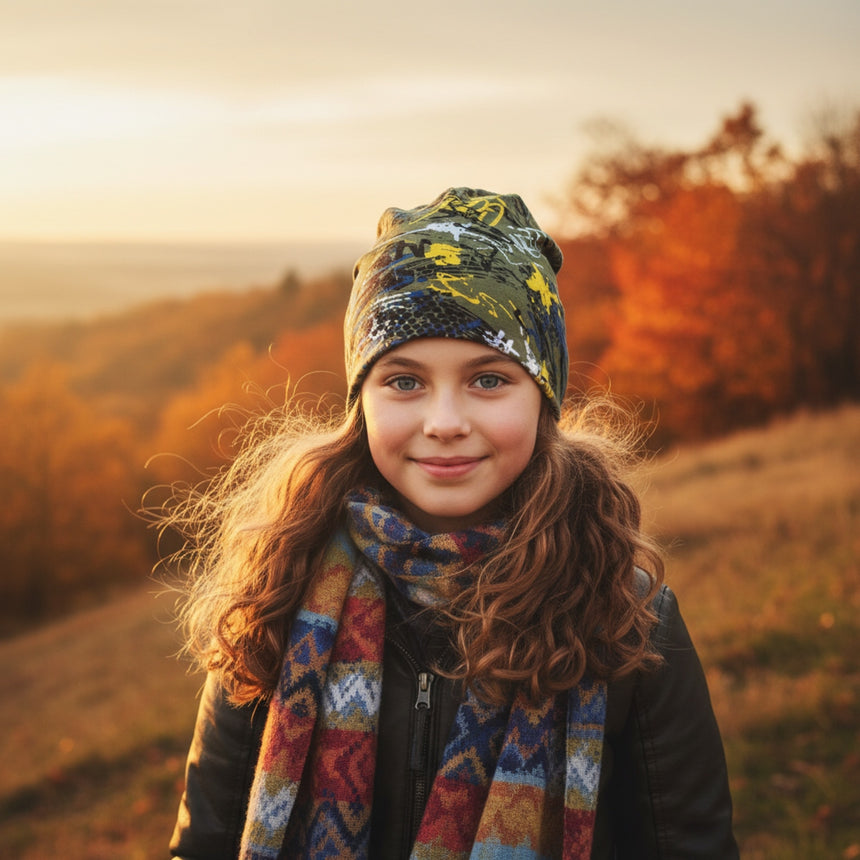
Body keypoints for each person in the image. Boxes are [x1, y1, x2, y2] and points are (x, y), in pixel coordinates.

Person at [165, 187, 738, 859]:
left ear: (544, 399)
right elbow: (204, 841)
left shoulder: (627, 617)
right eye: (404, 382)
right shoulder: (281, 588)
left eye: (488, 380)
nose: (443, 422)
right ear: (362, 402)